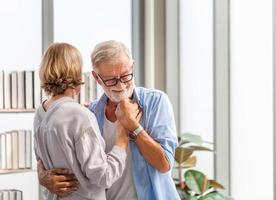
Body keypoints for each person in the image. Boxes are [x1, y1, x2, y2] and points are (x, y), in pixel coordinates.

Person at [37, 40, 180, 200]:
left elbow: (164, 164)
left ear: (132, 66)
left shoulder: (156, 102)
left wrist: (133, 126)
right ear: (96, 78)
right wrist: (43, 177)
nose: (120, 86)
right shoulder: (90, 113)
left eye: (125, 76)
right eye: (111, 80)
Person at [34, 42, 138, 200]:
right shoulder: (80, 115)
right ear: (76, 73)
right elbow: (103, 176)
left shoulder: (40, 114)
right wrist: (122, 139)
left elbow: (42, 164)